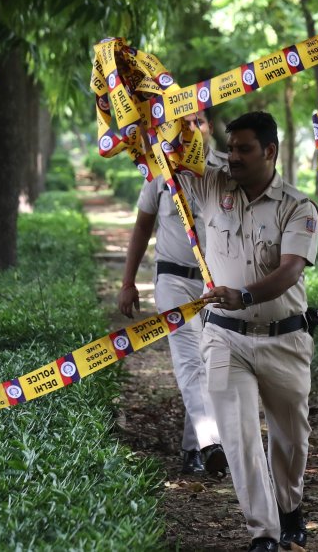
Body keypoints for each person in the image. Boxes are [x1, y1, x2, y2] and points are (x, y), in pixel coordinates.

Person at [188, 111, 318, 552]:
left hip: (285, 338)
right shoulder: (211, 187)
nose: (233, 158)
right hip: (225, 337)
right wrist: (181, 121)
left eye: (244, 149)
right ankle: (263, 532)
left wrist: (242, 295)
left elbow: (289, 271)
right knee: (238, 435)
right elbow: (172, 153)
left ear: (270, 151)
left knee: (290, 437)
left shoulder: (298, 207)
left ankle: (289, 505)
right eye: (230, 149)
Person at [117, 111, 228, 476]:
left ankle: (191, 448)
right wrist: (128, 281)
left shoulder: (226, 171)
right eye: (186, 121)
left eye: (199, 121)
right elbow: (142, 227)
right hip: (173, 281)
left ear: (210, 127)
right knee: (189, 361)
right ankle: (212, 442)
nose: (192, 127)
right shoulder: (159, 170)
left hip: (217, 286)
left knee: (213, 366)